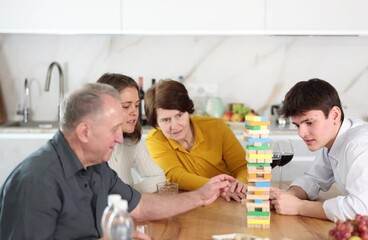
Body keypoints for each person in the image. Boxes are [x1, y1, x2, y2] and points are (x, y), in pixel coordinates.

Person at [0, 83, 235, 239]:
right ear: (84, 132)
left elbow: (140, 206)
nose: (119, 138)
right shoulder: (36, 182)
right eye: (114, 129)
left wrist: (200, 196)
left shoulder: (97, 166)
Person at [269, 78, 368, 234]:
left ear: (335, 115)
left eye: (309, 122)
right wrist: (287, 197)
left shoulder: (362, 144)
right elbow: (313, 178)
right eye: (297, 125)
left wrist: (299, 207)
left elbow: (359, 211)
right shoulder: (334, 140)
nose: (302, 133)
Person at [144, 79, 247, 202]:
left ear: (188, 111)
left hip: (230, 199)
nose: (175, 126)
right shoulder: (155, 139)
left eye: (179, 115)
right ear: (156, 123)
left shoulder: (217, 127)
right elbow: (175, 176)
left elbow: (242, 166)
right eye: (166, 120)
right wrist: (220, 187)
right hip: (191, 203)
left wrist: (239, 184)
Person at [97, 73, 166, 193]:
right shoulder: (90, 149)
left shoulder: (131, 140)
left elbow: (158, 177)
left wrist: (129, 194)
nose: (134, 112)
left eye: (136, 105)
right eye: (126, 106)